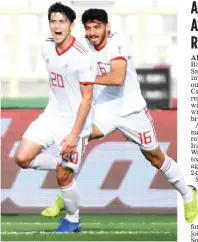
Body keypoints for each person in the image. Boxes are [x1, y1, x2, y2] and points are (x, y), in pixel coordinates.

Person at [40, 8, 198, 225]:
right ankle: (65, 196)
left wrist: (85, 77)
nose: (93, 32)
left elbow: (117, 77)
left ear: (108, 27)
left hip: (131, 110)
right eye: (88, 28)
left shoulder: (118, 43)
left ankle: (189, 195)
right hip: (103, 108)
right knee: (77, 137)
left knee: (155, 157)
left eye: (97, 27)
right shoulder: (83, 44)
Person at [14, 2, 95, 233]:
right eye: (53, 21)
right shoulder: (46, 47)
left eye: (62, 21)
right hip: (51, 116)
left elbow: (86, 99)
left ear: (71, 26)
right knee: (22, 158)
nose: (56, 26)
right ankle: (69, 165)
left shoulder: (83, 56)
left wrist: (73, 134)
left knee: (62, 176)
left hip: (75, 123)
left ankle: (72, 218)